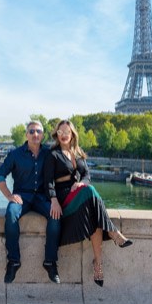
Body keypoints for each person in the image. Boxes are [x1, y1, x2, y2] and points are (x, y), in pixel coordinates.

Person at [44, 119, 132, 287]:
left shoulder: (78, 153)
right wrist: (54, 200)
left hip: (80, 193)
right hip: (64, 197)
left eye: (67, 133)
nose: (63, 135)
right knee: (90, 191)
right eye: (60, 132)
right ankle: (113, 232)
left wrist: (81, 183)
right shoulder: (52, 154)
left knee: (93, 212)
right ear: (57, 134)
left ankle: (98, 263)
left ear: (72, 135)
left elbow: (87, 176)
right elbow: (48, 182)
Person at [0, 120, 61, 284]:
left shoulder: (49, 153)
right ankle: (13, 261)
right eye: (31, 131)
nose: (35, 134)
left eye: (38, 131)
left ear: (43, 135)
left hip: (42, 198)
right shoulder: (15, 154)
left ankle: (50, 262)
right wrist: (10, 196)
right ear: (26, 135)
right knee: (11, 214)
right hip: (21, 197)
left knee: (56, 216)